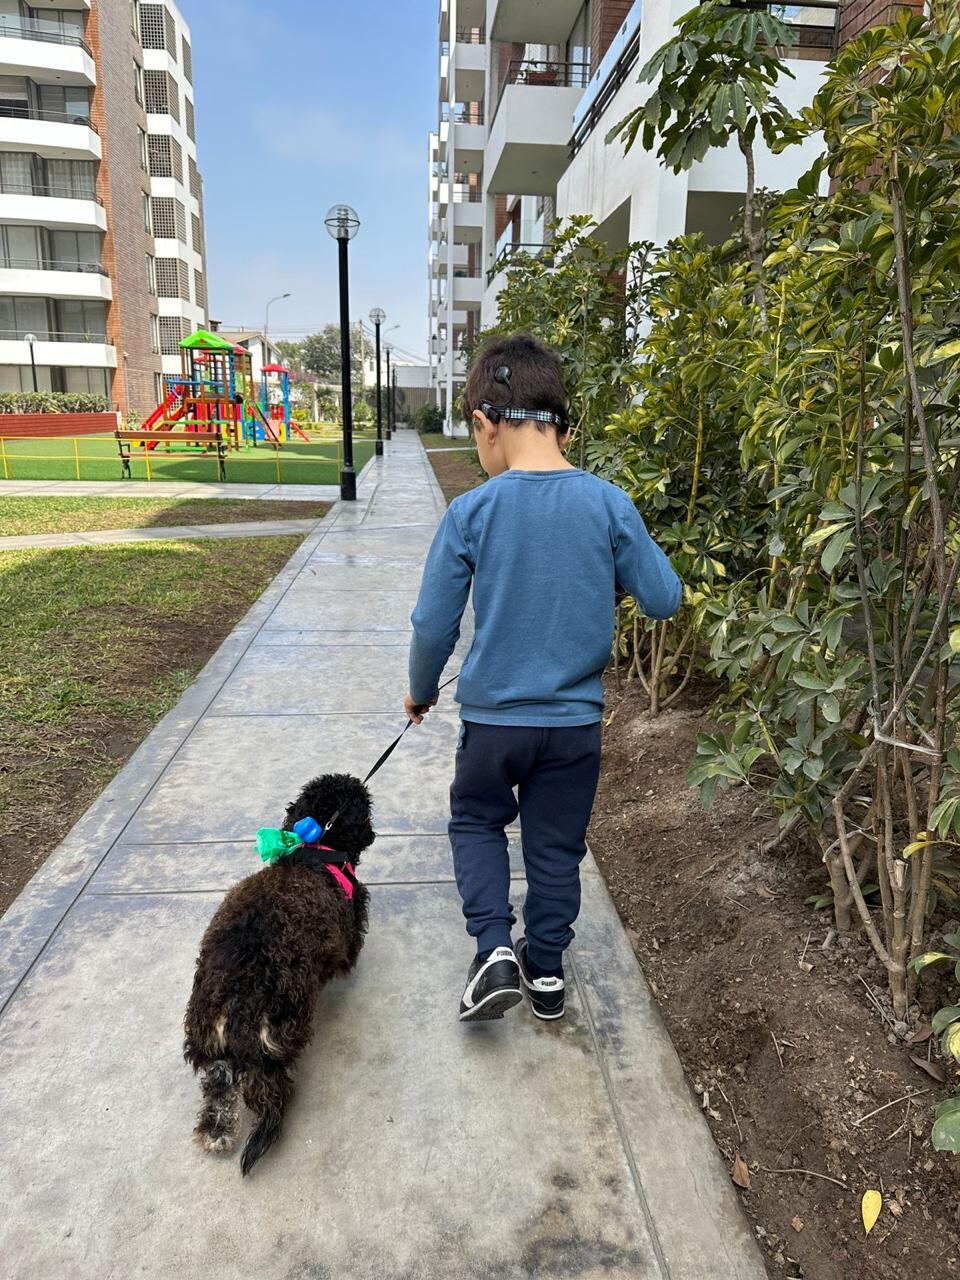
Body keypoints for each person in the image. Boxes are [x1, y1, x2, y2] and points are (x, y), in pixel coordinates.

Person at [405, 334, 681, 1023]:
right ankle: (547, 971)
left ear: (486, 423)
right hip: (573, 727)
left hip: (494, 722)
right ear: (562, 422)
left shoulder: (473, 511)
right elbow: (664, 598)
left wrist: (421, 690)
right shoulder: (608, 504)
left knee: (475, 821)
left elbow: (434, 626)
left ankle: (494, 949)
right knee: (555, 846)